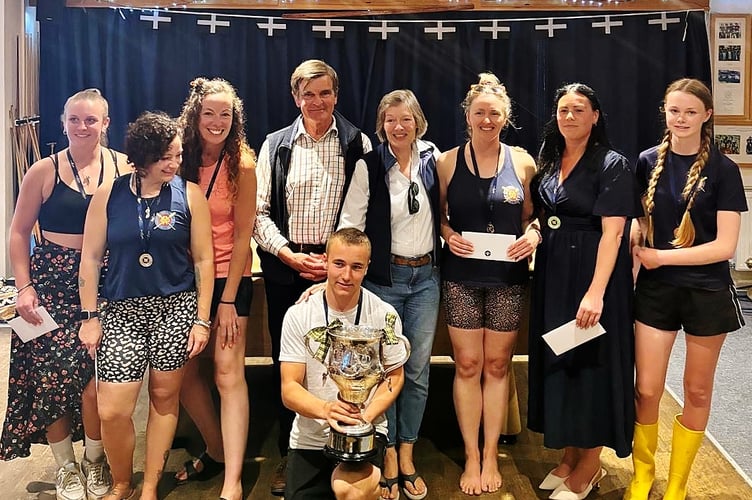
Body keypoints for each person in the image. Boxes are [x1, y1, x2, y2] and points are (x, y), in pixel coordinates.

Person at [77, 111, 214, 500]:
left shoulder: (190, 195)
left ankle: (151, 483)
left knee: (164, 397)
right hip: (121, 310)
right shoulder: (109, 195)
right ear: (142, 158)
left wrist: (201, 320)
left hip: (176, 308)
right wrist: (90, 317)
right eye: (165, 157)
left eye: (177, 155)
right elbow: (89, 259)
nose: (174, 163)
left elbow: (204, 261)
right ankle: (122, 481)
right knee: (114, 410)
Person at [1, 88, 127, 500]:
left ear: (105, 124)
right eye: (74, 119)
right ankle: (65, 468)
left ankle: (94, 459)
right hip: (47, 284)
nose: (82, 126)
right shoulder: (43, 170)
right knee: (47, 380)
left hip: (105, 283)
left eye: (91, 120)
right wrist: (23, 287)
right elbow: (18, 233)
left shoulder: (124, 168)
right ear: (63, 122)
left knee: (97, 383)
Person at [254, 58, 372, 495]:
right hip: (288, 271)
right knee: (293, 370)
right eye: (308, 93)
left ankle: (345, 449)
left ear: (335, 96)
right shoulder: (275, 144)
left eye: (325, 93)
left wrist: (334, 263)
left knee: (345, 364)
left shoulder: (357, 142)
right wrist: (287, 254)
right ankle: (293, 455)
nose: (317, 101)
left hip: (338, 272)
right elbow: (259, 213)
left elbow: (360, 214)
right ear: (295, 97)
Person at [626, 78, 747, 500]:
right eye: (674, 110)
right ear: (665, 112)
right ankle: (643, 475)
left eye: (690, 112)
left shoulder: (725, 170)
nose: (680, 119)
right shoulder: (645, 162)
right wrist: (634, 240)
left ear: (707, 116)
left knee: (696, 390)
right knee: (646, 389)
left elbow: (725, 247)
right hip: (656, 292)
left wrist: (662, 257)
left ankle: (677, 484)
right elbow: (640, 223)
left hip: (706, 292)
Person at [527, 83, 640, 500]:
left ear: (595, 115)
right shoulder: (551, 158)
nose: (569, 116)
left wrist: (596, 293)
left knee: (590, 365)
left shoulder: (612, 164)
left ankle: (590, 464)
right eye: (562, 110)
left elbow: (613, 235)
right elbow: (547, 213)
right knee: (562, 359)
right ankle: (571, 455)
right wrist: (536, 230)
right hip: (554, 271)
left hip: (593, 273)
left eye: (578, 109)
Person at [436, 73, 539, 496]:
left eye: (494, 113)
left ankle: (491, 452)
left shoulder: (524, 162)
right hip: (461, 276)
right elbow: (438, 216)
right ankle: (471, 455)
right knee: (467, 366)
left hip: (507, 279)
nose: (487, 119)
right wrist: (447, 235)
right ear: (468, 115)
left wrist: (534, 235)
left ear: (506, 117)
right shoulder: (446, 161)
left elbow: (534, 216)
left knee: (498, 367)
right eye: (479, 112)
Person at [337, 89, 439, 500]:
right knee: (385, 372)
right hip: (385, 281)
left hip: (426, 280)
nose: (399, 126)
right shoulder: (370, 163)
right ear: (382, 125)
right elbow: (351, 225)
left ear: (418, 122)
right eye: (391, 120)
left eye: (406, 119)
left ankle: (408, 450)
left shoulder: (433, 160)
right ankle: (389, 454)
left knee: (416, 371)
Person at [174, 77, 257, 500]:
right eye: (210, 112)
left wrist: (226, 301)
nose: (218, 121)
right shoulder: (179, 157)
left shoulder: (240, 162)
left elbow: (245, 235)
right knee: (183, 373)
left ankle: (233, 481)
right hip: (182, 279)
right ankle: (218, 449)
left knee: (228, 374)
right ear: (195, 115)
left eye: (226, 114)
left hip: (228, 279)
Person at [280, 228, 409, 500]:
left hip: (366, 432)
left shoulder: (385, 315)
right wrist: (327, 410)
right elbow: (289, 388)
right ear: (325, 261)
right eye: (339, 264)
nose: (346, 276)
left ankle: (375, 478)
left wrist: (365, 417)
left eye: (356, 267)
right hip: (310, 438)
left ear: (367, 268)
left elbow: (395, 378)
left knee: (347, 490)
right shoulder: (299, 315)